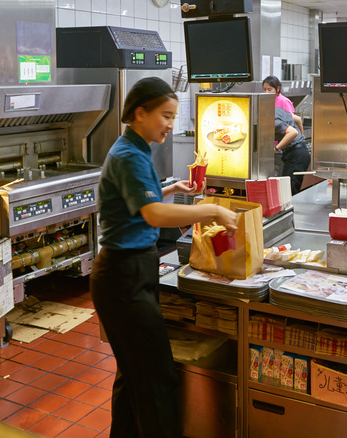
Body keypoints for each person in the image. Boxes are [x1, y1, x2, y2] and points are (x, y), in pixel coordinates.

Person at [90, 77, 237, 437]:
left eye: (173, 116)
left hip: (129, 271)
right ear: (140, 112)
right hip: (124, 277)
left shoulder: (135, 148)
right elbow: (153, 214)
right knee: (156, 382)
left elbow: (139, 201)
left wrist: (173, 188)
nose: (171, 125)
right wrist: (211, 211)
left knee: (133, 375)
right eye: (165, 115)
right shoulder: (128, 154)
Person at [274, 106, 310, 195]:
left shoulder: (273, 120)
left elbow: (293, 132)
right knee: (289, 188)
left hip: (295, 155)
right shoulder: (278, 110)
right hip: (301, 152)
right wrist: (302, 137)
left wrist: (276, 148)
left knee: (288, 191)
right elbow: (298, 119)